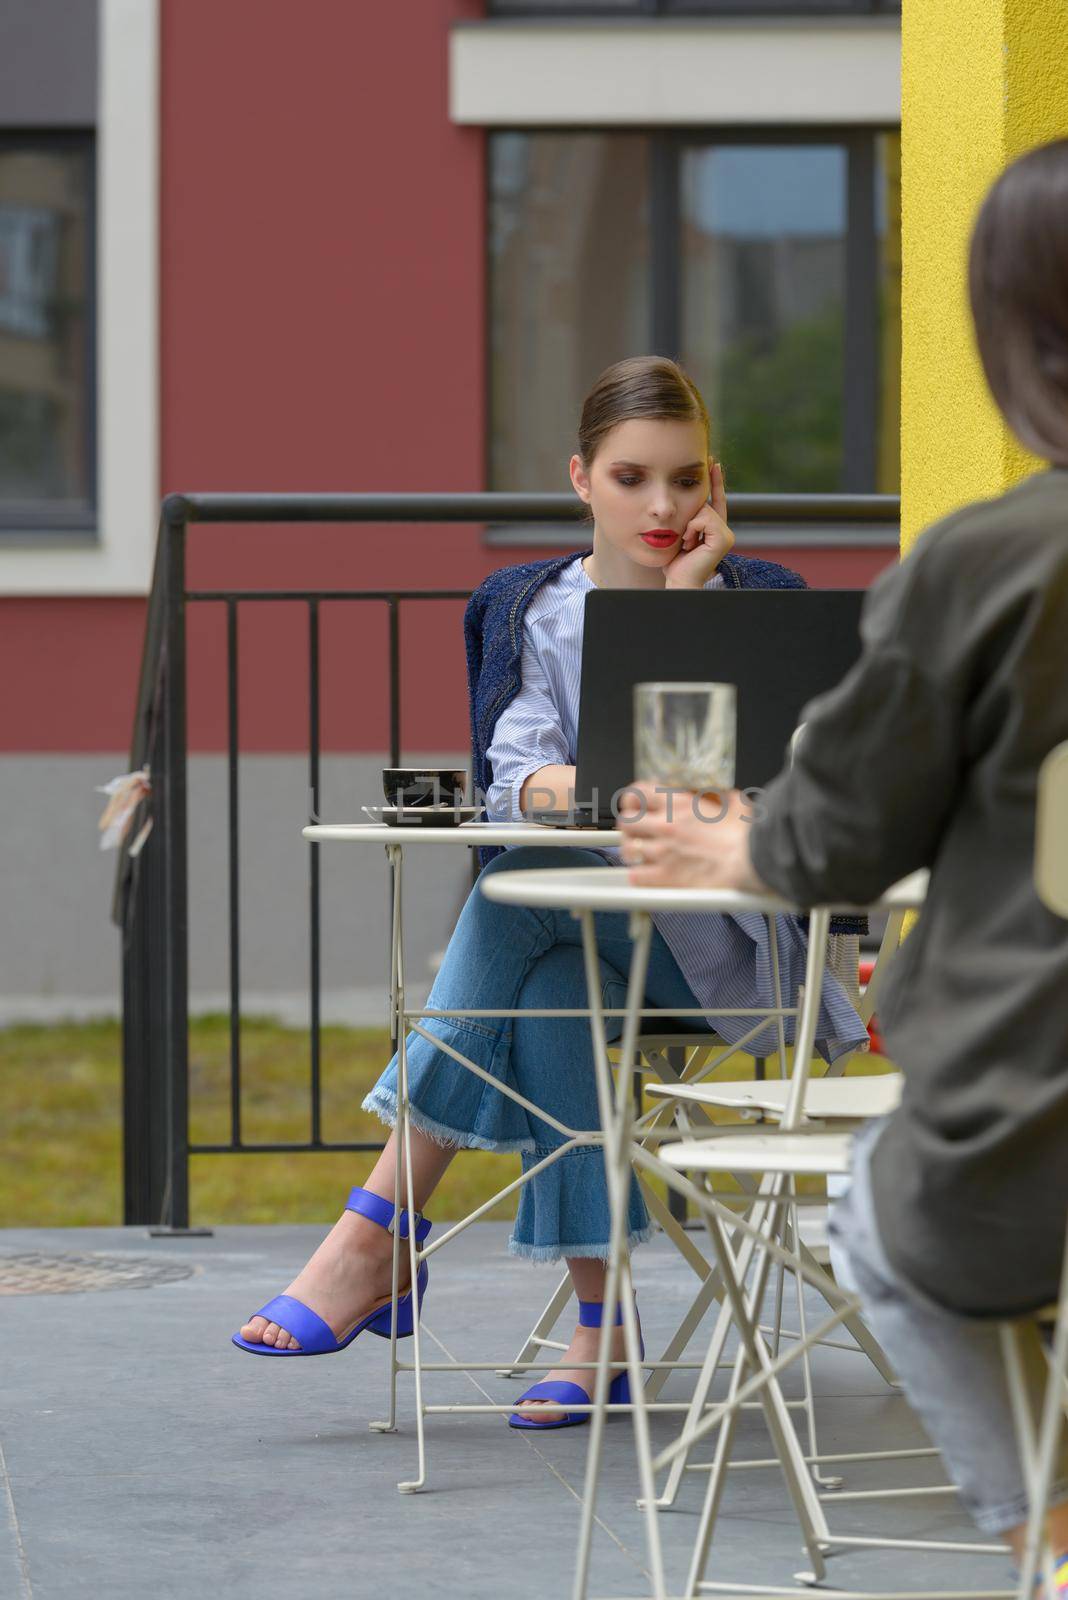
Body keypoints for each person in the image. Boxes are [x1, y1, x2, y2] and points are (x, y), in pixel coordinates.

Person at [232, 355, 868, 1426]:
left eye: (684, 479)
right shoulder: (528, 607)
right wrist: (621, 787)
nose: (661, 506)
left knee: (525, 886)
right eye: (631, 478)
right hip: (591, 931)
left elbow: (778, 793)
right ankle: (601, 1334)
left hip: (733, 952)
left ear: (715, 483)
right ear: (582, 477)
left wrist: (687, 611)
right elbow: (514, 775)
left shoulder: (763, 606)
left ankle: (375, 1228)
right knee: (546, 973)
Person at [616, 145, 1068, 1582]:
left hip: (1024, 1155)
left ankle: (1046, 1534)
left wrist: (734, 842)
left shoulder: (993, 568)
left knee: (881, 1213)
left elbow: (831, 843)